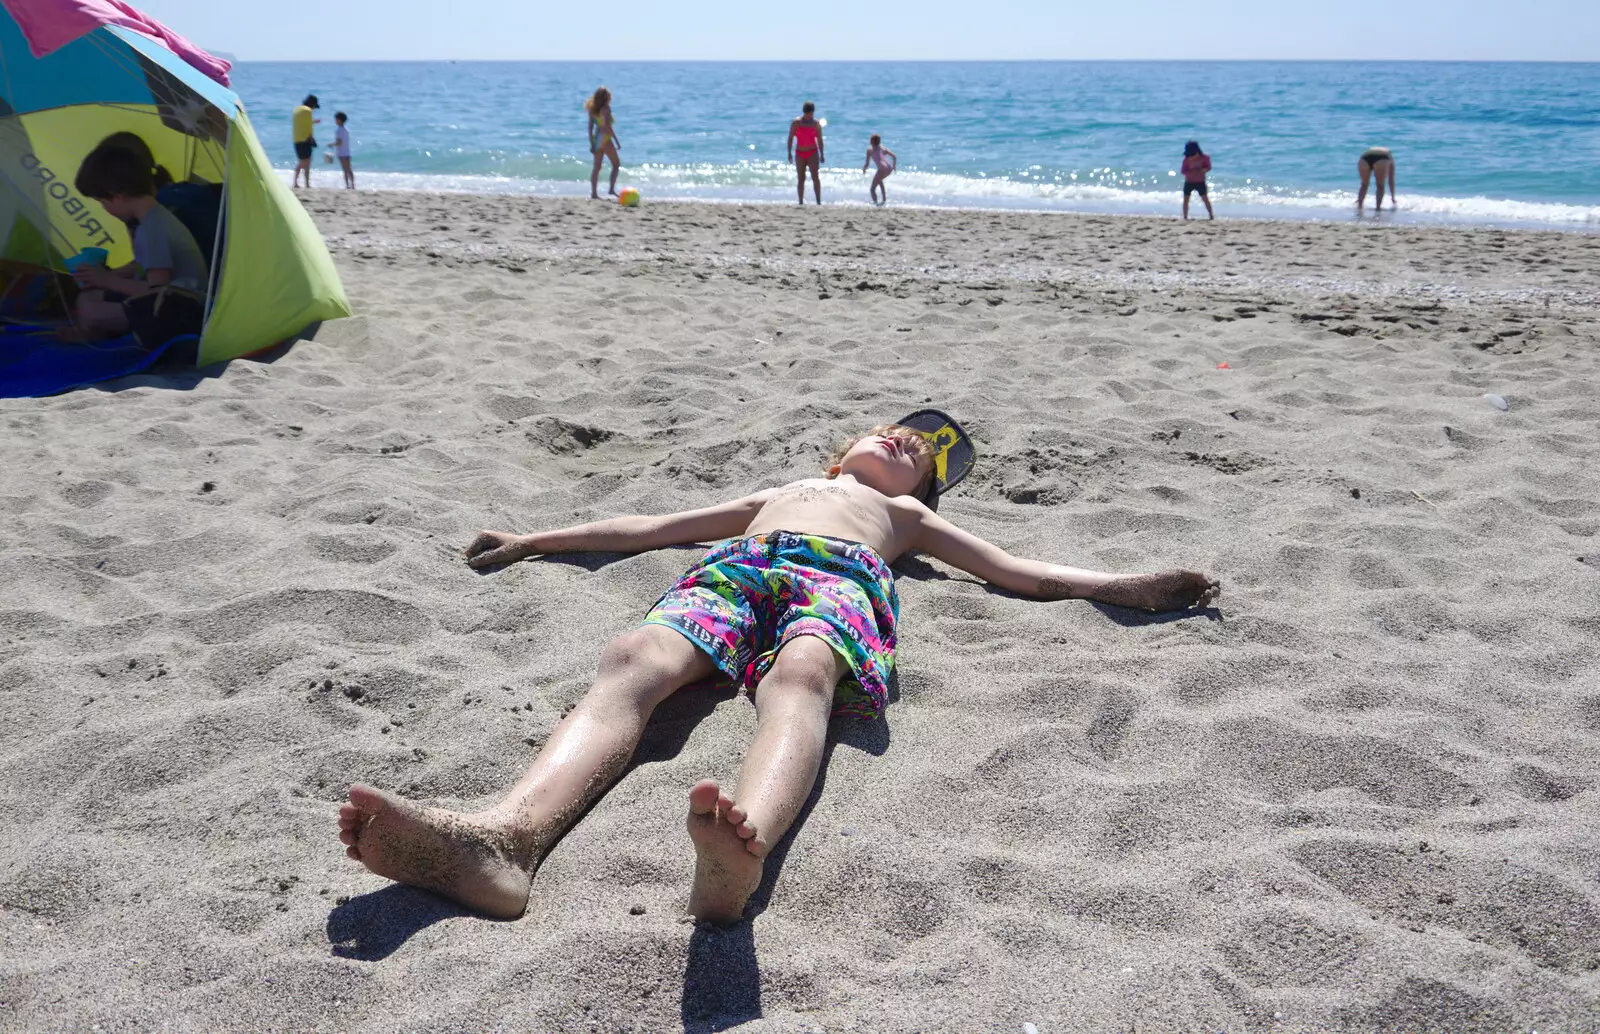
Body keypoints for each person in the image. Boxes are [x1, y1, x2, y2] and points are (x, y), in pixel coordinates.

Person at [336, 422, 1221, 923]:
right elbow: (651, 528)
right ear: (839, 449)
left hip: (842, 579)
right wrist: (535, 538)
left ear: (928, 488)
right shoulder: (778, 491)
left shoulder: (902, 513)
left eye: (921, 449)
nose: (904, 440)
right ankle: (506, 839)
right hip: (737, 569)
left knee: (800, 679)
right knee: (634, 658)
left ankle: (740, 847)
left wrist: (1131, 587)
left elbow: (1016, 572)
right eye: (895, 427)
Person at [64, 145, 209, 348]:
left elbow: (156, 291)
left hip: (180, 310)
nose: (105, 209)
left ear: (117, 196)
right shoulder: (154, 218)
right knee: (87, 297)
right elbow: (143, 264)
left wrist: (107, 280)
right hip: (165, 301)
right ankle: (97, 332)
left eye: (102, 202)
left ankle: (96, 335)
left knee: (91, 312)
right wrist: (108, 275)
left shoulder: (152, 230)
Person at [585, 87, 621, 199]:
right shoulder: (606, 109)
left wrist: (592, 143)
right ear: (607, 97)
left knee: (596, 168)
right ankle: (611, 189)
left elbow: (590, 128)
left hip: (597, 139)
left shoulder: (592, 110)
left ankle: (594, 193)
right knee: (616, 164)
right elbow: (607, 127)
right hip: (605, 138)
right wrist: (616, 141)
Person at [787, 102, 825, 205]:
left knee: (815, 177)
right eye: (807, 113)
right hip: (800, 153)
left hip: (812, 153)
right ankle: (800, 201)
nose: (809, 116)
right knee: (801, 178)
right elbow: (790, 138)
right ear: (804, 112)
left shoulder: (816, 124)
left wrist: (822, 154)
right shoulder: (797, 123)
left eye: (810, 113)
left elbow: (820, 140)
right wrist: (789, 153)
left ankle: (818, 201)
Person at [292, 94, 321, 188]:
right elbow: (309, 128)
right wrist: (312, 139)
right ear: (312, 104)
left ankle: (295, 182)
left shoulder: (296, 110)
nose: (314, 109)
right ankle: (307, 184)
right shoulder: (308, 111)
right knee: (307, 162)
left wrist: (313, 122)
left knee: (301, 161)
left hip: (296, 139)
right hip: (305, 140)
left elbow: (301, 123)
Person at [1357, 146, 1396, 212]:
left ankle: (1359, 206)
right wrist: (1392, 197)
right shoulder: (1388, 155)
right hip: (1382, 157)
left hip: (1365, 157)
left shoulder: (1371, 150)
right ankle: (1378, 208)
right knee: (1380, 185)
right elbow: (1391, 179)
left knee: (1364, 184)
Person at [1181, 141, 1213, 221]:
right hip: (1189, 181)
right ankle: (1185, 217)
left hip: (1200, 181)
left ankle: (1211, 215)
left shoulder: (1204, 157)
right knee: (1186, 199)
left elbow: (1208, 167)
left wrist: (1202, 170)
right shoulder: (1186, 159)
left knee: (1205, 199)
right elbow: (1183, 171)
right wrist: (1191, 173)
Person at [862, 134, 897, 206]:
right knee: (880, 181)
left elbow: (867, 163)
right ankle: (884, 200)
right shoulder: (882, 148)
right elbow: (894, 156)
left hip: (882, 169)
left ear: (871, 141)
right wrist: (894, 166)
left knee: (872, 189)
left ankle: (875, 204)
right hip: (889, 168)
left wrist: (864, 169)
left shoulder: (869, 150)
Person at [333, 112, 355, 190]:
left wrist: (331, 145)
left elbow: (339, 143)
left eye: (336, 119)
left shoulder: (339, 130)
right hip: (347, 152)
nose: (335, 121)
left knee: (345, 170)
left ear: (339, 120)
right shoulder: (346, 130)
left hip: (342, 153)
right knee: (349, 169)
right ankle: (352, 184)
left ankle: (347, 185)